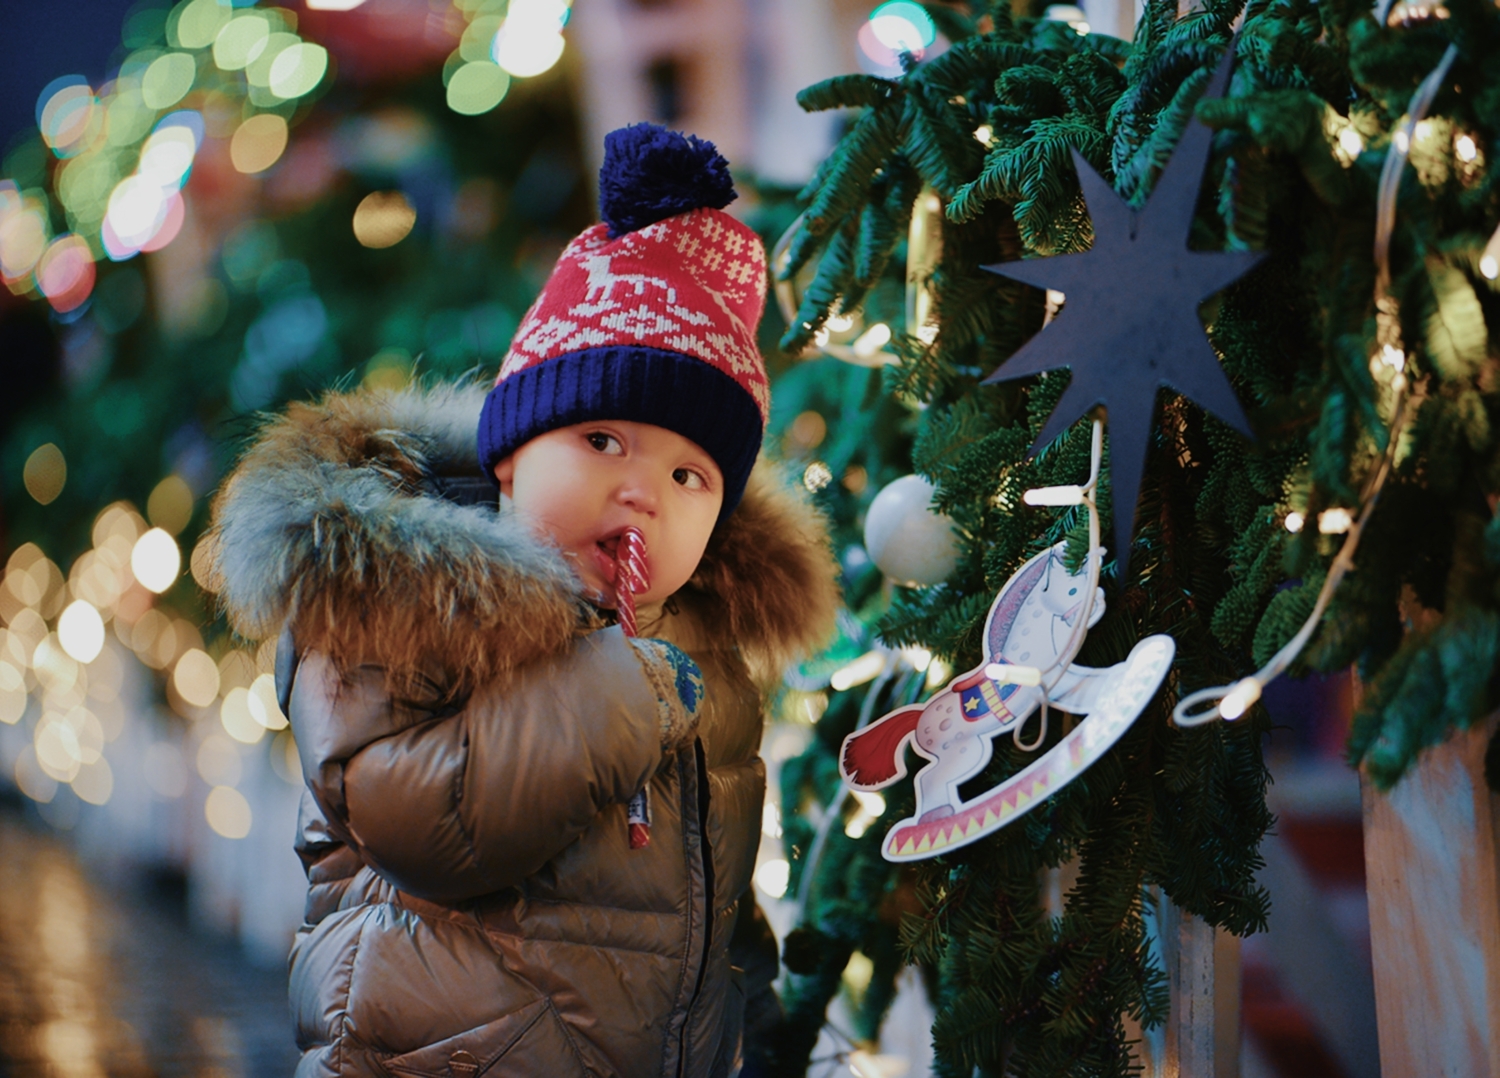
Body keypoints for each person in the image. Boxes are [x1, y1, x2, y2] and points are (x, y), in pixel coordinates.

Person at [207, 124, 838, 1077]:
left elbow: (708, 897)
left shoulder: (703, 648)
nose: (643, 491)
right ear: (510, 451)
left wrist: (757, 1031)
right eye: (600, 441)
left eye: (689, 475)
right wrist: (620, 693)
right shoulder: (402, 596)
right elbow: (423, 826)